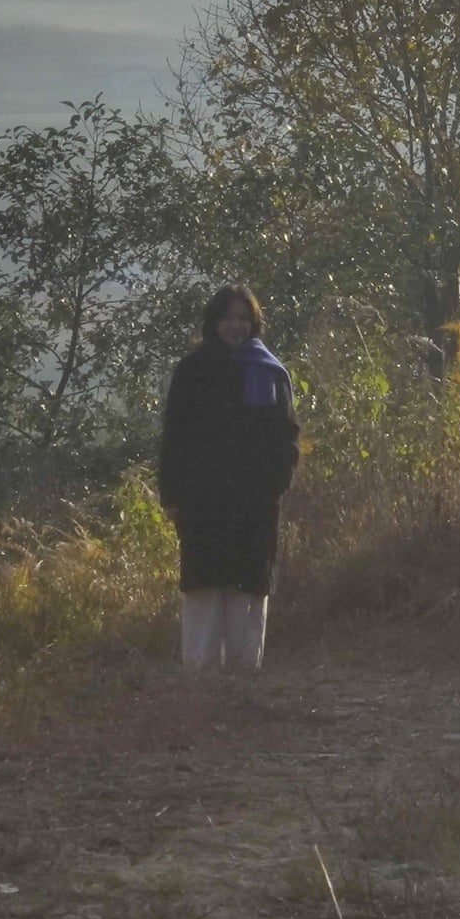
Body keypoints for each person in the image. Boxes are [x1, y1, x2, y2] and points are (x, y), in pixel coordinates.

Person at [157, 284, 300, 670]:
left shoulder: (268, 371)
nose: (234, 327)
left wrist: (277, 482)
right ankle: (200, 676)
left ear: (254, 324)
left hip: (255, 500)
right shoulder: (192, 371)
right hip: (202, 497)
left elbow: (286, 435)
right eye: (227, 318)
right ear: (213, 322)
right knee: (203, 584)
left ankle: (242, 673)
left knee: (248, 584)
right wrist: (171, 494)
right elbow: (175, 436)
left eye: (242, 319)